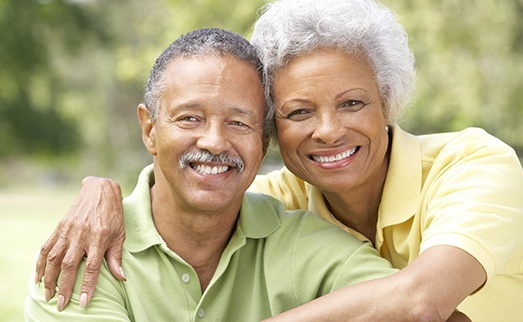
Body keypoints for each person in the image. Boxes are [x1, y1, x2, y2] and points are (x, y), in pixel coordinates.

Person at [35, 0, 523, 321]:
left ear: (387, 103)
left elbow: (424, 303)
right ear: (274, 131)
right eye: (299, 111)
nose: (328, 129)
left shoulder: (473, 164)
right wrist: (100, 190)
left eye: (352, 103)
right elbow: (194, 183)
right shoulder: (275, 203)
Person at [25, 27, 400, 321]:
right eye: (190, 118)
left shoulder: (310, 246)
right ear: (150, 129)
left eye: (238, 122)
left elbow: (430, 312)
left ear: (264, 139)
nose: (215, 141)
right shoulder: (81, 252)